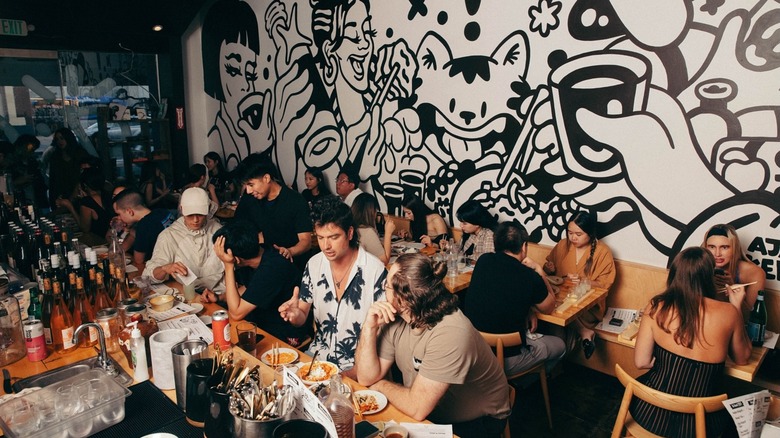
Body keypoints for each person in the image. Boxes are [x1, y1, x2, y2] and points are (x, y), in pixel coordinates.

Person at [355, 253, 511, 437]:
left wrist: (382, 386)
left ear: (404, 299)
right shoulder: (395, 317)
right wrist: (368, 327)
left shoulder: (451, 332)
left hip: (478, 420)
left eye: (387, 286)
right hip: (431, 412)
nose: (384, 291)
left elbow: (417, 407)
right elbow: (366, 378)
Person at [631, 247, 751, 438]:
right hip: (700, 423)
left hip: (650, 413)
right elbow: (743, 358)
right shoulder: (729, 312)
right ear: (709, 276)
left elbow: (641, 362)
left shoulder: (657, 305)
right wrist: (736, 306)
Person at [278, 196, 386, 373]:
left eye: (333, 237)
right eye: (320, 238)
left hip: (357, 368)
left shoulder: (375, 271)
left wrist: (350, 375)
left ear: (350, 233)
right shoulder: (314, 265)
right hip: (317, 358)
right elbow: (302, 315)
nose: (326, 246)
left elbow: (383, 339)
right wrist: (295, 315)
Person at [465, 222, 565, 375]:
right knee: (560, 345)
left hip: (473, 351)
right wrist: (539, 270)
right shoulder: (529, 276)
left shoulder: (483, 261)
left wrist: (529, 310)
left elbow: (500, 293)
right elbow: (550, 306)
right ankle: (526, 383)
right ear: (524, 246)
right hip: (504, 359)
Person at [212, 220, 309, 346]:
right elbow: (249, 291)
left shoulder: (272, 268)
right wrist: (219, 297)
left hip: (285, 332)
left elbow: (236, 313)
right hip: (262, 321)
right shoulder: (261, 251)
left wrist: (228, 266)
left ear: (236, 259)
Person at [543, 210, 616, 358]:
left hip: (587, 306)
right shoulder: (563, 245)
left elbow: (605, 285)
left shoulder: (602, 252)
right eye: (570, 233)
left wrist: (585, 281)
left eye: (578, 234)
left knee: (556, 311)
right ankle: (578, 338)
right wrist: (548, 268)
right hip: (562, 297)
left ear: (590, 233)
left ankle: (554, 364)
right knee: (553, 310)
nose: (573, 238)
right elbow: (549, 271)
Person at [143, 187, 225, 300]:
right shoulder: (169, 236)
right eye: (190, 215)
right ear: (182, 210)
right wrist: (164, 269)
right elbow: (148, 276)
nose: (196, 220)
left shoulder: (217, 230)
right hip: (188, 294)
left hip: (219, 294)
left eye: (200, 214)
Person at [233, 157, 312, 263]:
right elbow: (238, 226)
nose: (248, 191)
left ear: (266, 178)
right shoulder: (249, 199)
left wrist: (289, 251)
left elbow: (306, 241)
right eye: (246, 186)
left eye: (251, 185)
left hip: (290, 264)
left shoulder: (295, 201)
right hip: (262, 261)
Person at [701, 223, 766, 321]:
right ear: (705, 248)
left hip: (737, 324)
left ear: (734, 249)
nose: (717, 254)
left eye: (724, 247)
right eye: (712, 247)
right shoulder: (697, 267)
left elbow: (749, 318)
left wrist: (731, 288)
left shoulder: (754, 273)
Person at [112, 189, 175, 269]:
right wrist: (130, 228)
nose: (119, 217)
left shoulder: (143, 226)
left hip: (163, 267)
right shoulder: (162, 212)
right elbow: (123, 249)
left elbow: (138, 260)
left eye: (119, 214)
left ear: (129, 211)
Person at [55, 167, 113, 246]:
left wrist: (70, 206)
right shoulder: (107, 194)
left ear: (84, 185)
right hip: (110, 238)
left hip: (99, 242)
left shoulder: (87, 201)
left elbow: (85, 228)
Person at [48, 127, 88, 206]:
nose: (60, 141)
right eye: (57, 139)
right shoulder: (55, 156)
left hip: (79, 193)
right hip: (61, 194)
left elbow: (86, 174)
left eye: (62, 138)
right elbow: (53, 179)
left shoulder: (80, 153)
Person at [352, 192, 395, 264]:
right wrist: (388, 233)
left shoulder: (353, 228)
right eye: (375, 211)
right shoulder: (367, 232)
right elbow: (384, 260)